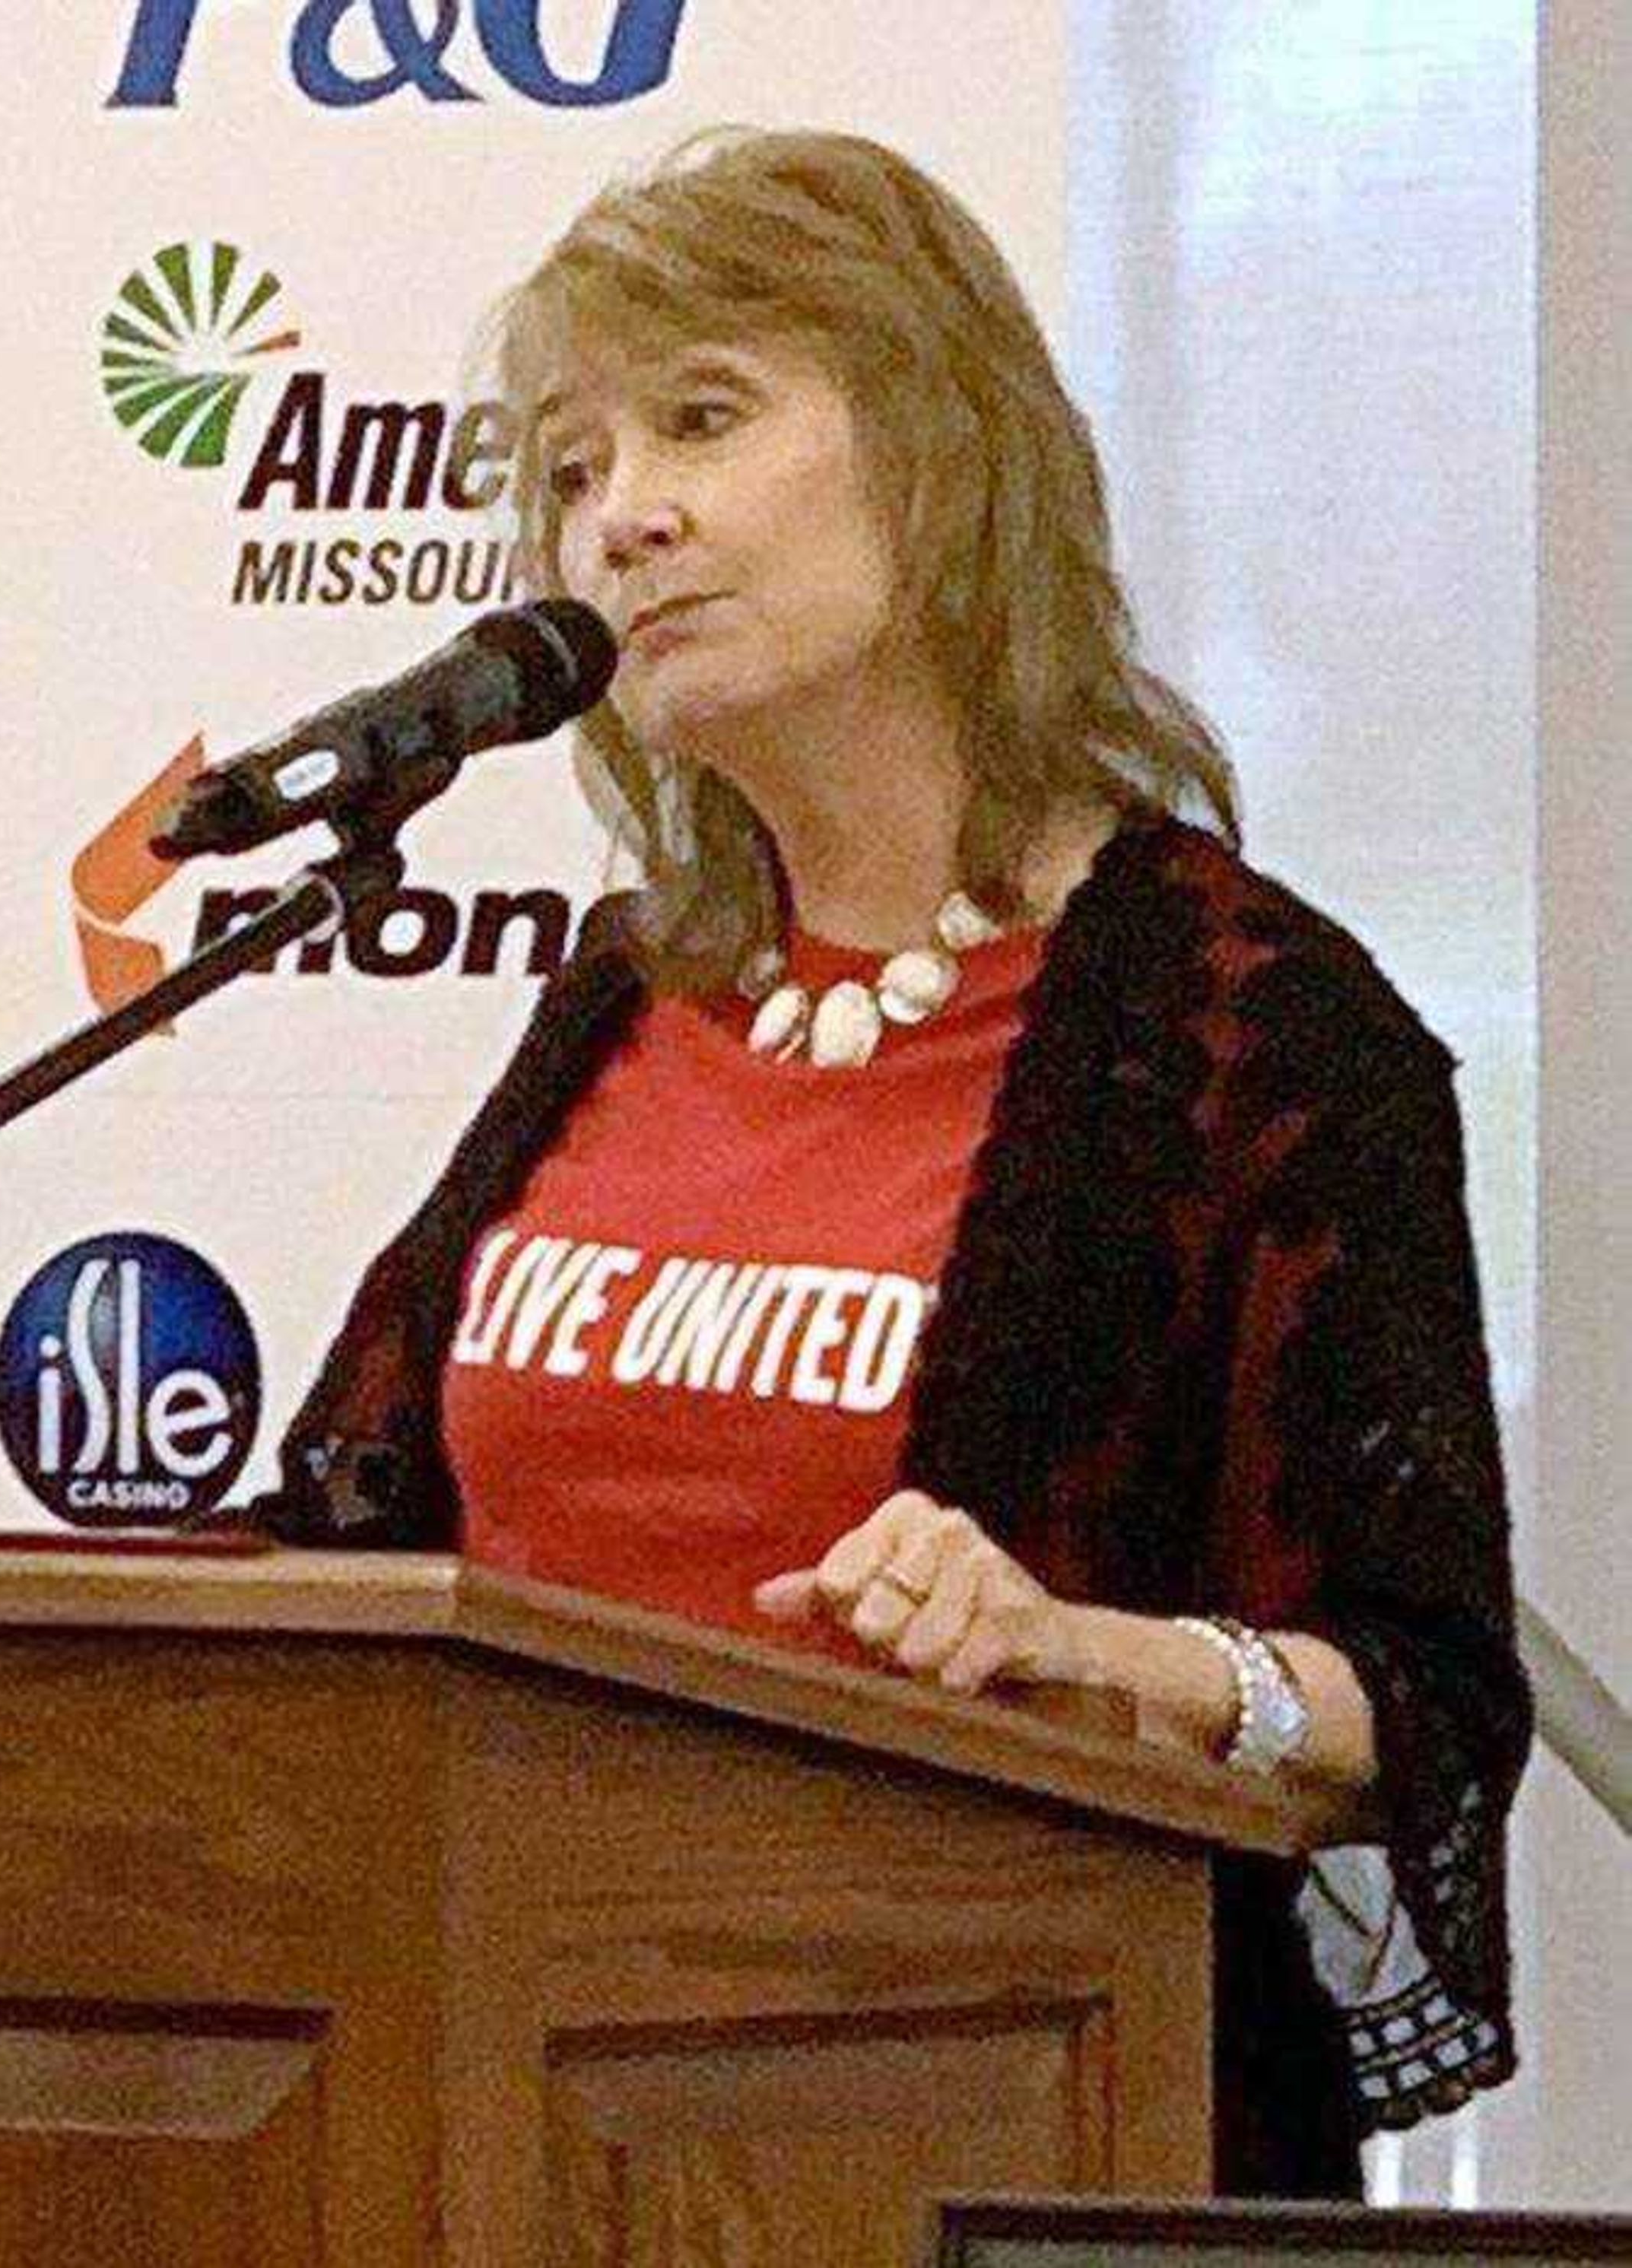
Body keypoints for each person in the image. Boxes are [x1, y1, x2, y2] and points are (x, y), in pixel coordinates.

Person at [245, 129, 1529, 2198]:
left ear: (942, 458)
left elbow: (1430, 1697)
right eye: (572, 468)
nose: (620, 520)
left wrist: (1100, 1661)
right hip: (509, 2129)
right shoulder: (626, 988)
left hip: (979, 2135)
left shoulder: (1259, 1031)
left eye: (703, 419)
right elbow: (353, 1541)